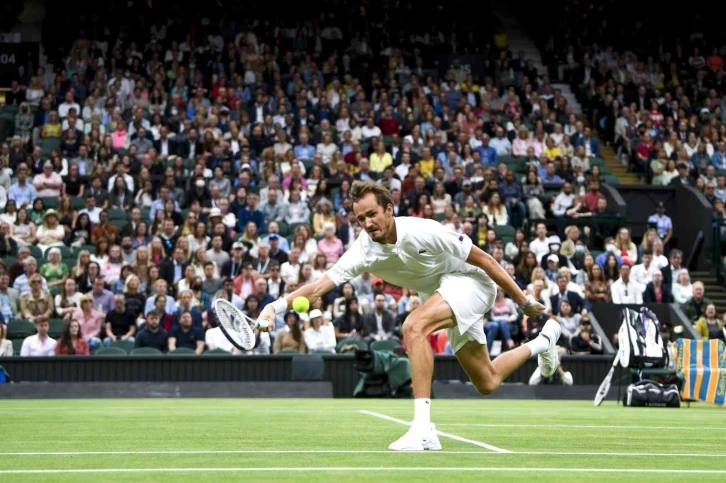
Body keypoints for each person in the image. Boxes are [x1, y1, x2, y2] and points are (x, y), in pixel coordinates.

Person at [257, 180, 554, 451]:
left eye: (372, 214)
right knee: (487, 381)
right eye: (361, 219)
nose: (368, 223)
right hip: (440, 295)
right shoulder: (363, 251)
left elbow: (486, 259)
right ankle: (544, 341)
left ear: (389, 209)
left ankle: (422, 429)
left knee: (414, 325)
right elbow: (317, 288)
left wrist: (522, 300)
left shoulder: (424, 230)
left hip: (471, 283)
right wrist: (274, 307)